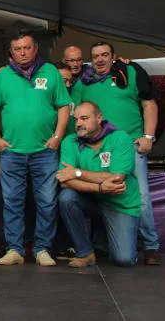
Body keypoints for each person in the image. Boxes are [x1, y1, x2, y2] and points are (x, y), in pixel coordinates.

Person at [71, 41, 161, 265]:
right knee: (103, 195)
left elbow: (149, 104)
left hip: (131, 146)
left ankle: (151, 246)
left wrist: (148, 137)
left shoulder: (129, 72)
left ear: (114, 56)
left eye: (104, 55)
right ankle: (102, 245)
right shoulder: (84, 82)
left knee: (140, 197)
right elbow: (74, 113)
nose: (100, 59)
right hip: (96, 149)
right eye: (95, 56)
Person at [0, 30, 71, 266]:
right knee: (12, 201)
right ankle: (15, 249)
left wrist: (58, 136)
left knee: (47, 201)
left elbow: (64, 106)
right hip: (12, 151)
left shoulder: (51, 71)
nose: (22, 52)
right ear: (11, 52)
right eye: (17, 49)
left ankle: (42, 248)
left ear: (35, 49)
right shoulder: (3, 76)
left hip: (44, 151)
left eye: (26, 47)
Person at [57, 102, 141, 267]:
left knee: (124, 260)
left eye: (84, 118)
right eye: (76, 120)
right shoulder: (70, 141)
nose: (79, 123)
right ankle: (85, 253)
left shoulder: (120, 138)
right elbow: (65, 181)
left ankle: (111, 238)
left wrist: (78, 173)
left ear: (99, 118)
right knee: (66, 198)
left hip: (119, 203)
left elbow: (117, 178)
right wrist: (100, 187)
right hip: (91, 199)